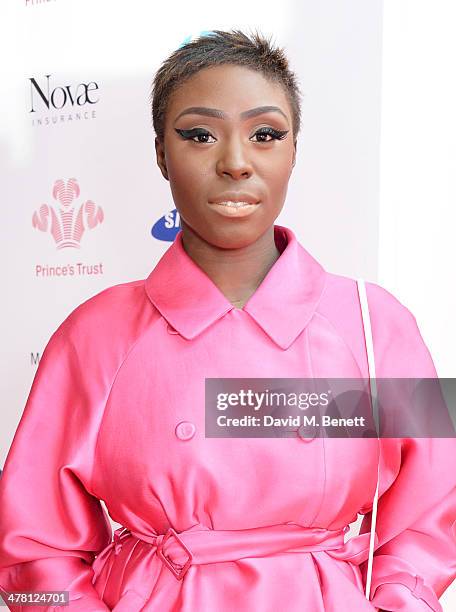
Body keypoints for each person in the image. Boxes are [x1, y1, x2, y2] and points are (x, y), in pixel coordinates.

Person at [0, 28, 455, 612]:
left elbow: (432, 513)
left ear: (294, 150)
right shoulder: (95, 333)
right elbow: (32, 548)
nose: (235, 162)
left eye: (265, 134)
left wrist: (396, 601)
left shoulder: (377, 324)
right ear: (162, 153)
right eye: (200, 134)